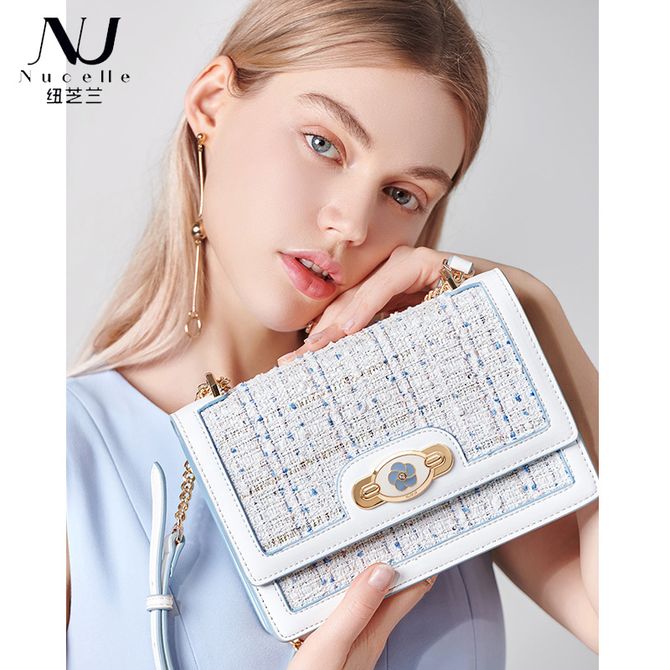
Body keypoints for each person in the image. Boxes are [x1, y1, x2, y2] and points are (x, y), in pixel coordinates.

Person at [66, 1, 599, 667]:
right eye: (323, 144)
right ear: (211, 104)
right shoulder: (62, 455)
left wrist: (533, 311)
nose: (351, 224)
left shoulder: (454, 412)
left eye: (402, 195)